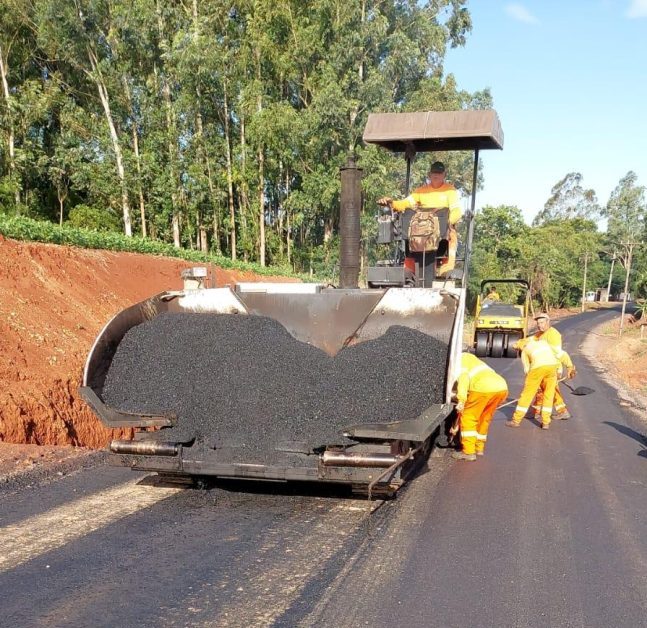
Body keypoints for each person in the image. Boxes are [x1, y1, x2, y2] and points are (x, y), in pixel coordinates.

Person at [377, 161, 462, 276]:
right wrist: (391, 203)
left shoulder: (450, 191)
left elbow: (456, 210)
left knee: (451, 234)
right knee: (408, 233)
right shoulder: (421, 191)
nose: (436, 175)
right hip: (421, 231)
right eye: (434, 172)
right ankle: (410, 271)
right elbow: (405, 203)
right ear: (429, 174)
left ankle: (445, 270)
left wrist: (449, 222)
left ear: (444, 175)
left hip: (440, 232)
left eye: (439, 172)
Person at [505, 336, 573, 430]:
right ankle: (546, 423)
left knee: (526, 395)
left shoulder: (525, 350)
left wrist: (533, 384)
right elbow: (562, 355)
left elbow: (527, 369)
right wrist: (570, 367)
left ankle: (516, 420)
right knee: (549, 395)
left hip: (537, 369)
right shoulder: (544, 343)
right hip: (552, 368)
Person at [451, 352, 509, 461]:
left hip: (483, 388)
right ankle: (479, 448)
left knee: (469, 417)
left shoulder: (461, 361)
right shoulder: (478, 363)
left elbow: (463, 380)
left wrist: (461, 400)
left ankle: (468, 452)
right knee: (485, 417)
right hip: (502, 387)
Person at [531, 312, 576, 420]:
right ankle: (537, 411)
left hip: (553, 367)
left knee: (551, 390)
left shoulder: (553, 334)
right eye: (538, 323)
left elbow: (558, 353)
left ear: (548, 322)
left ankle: (563, 411)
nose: (539, 325)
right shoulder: (538, 335)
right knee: (541, 389)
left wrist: (569, 366)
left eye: (541, 322)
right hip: (541, 366)